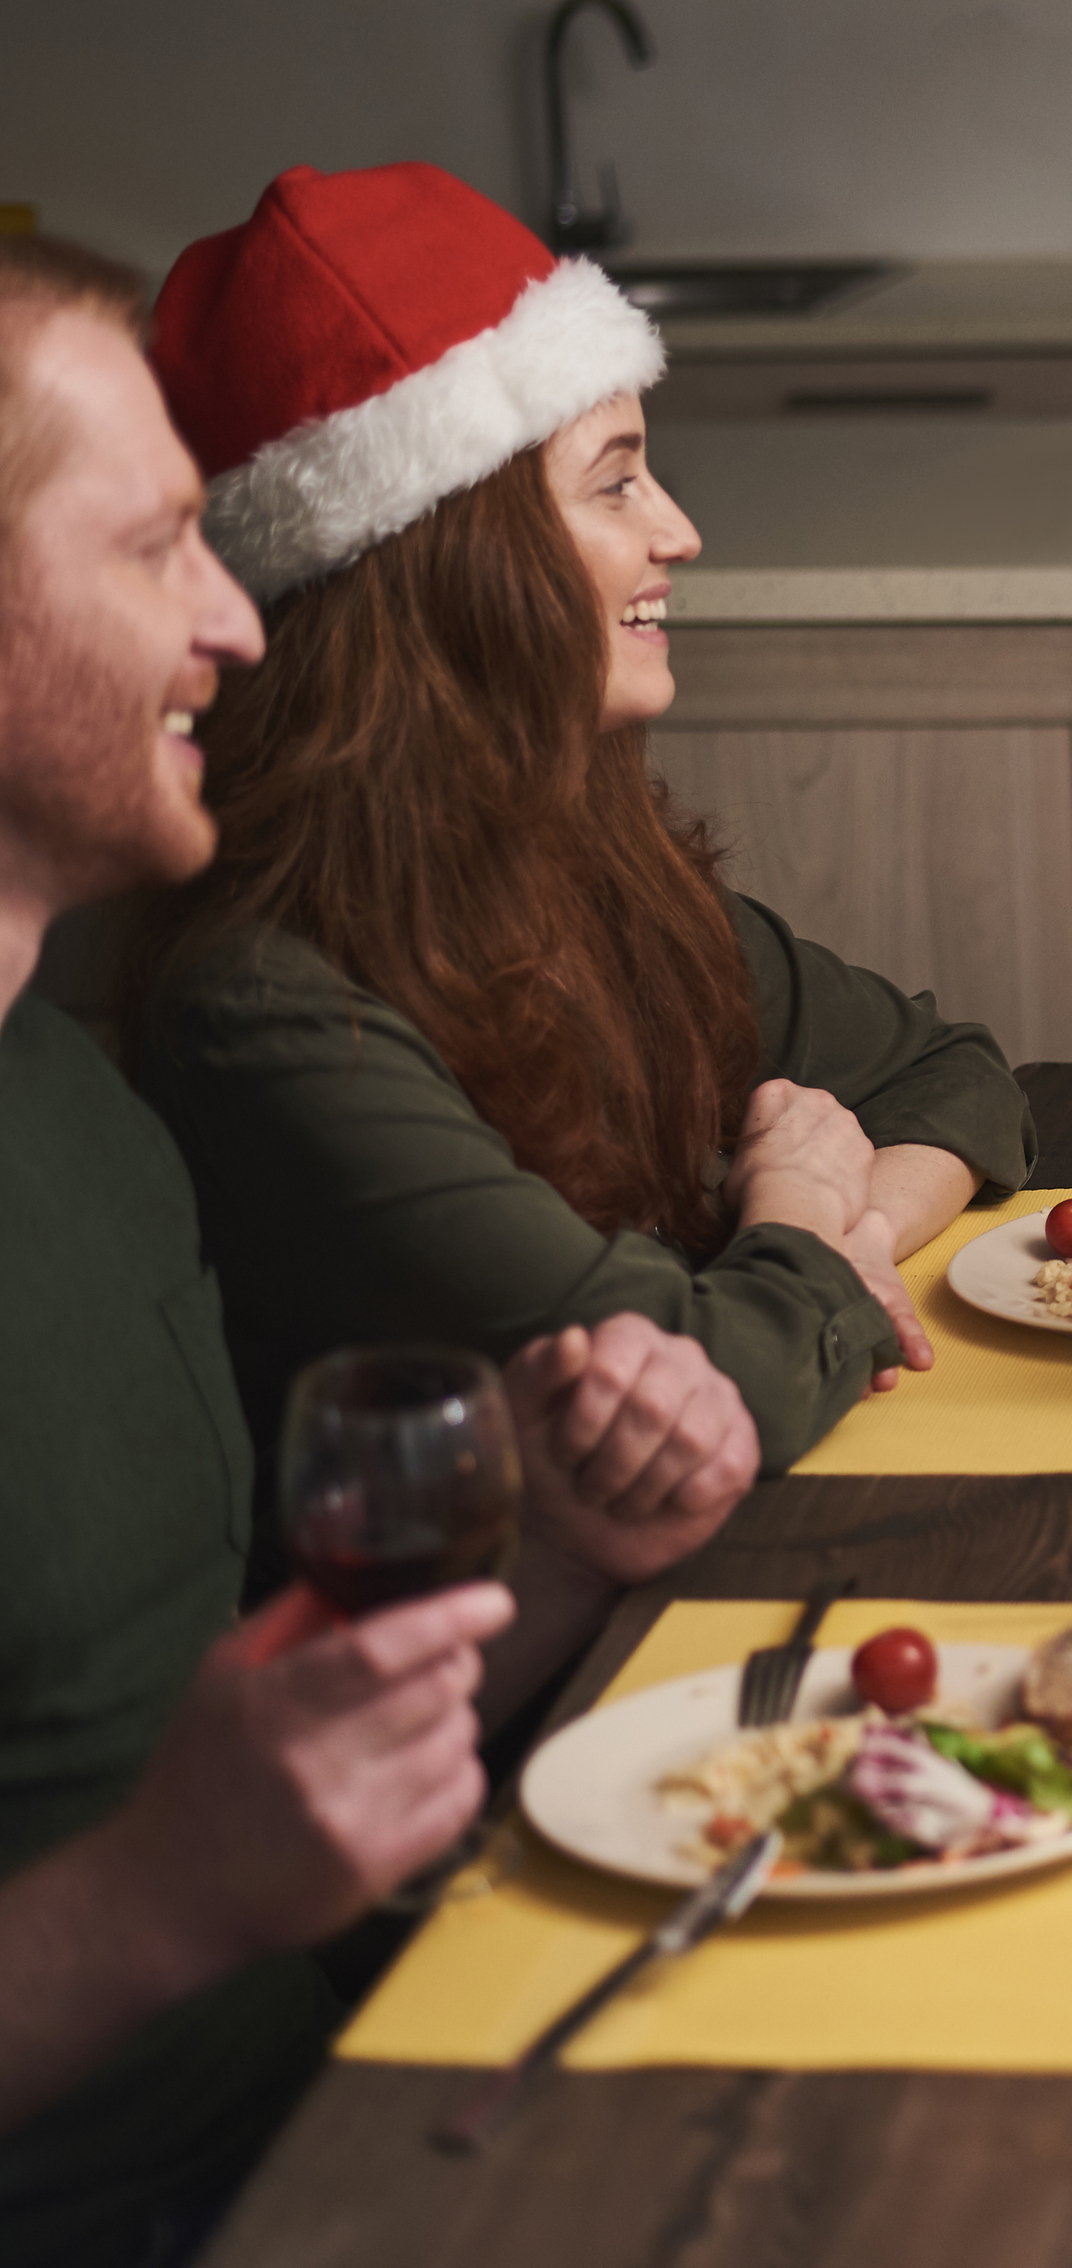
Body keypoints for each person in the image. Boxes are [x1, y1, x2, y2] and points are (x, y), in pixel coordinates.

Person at [0, 235, 755, 2265]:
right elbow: (184, 1863)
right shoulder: (228, 1014)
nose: (241, 620)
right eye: (156, 543)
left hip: (366, 2074)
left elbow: (246, 1767)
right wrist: (161, 1894)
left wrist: (562, 1549)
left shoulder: (73, 1113)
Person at [123, 164, 1037, 1487]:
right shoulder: (270, 1008)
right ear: (448, 560)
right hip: (496, 1665)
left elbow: (956, 1075)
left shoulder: (584, 857)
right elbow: (711, 1392)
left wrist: (842, 1237)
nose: (679, 530)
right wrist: (792, 1217)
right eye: (615, 485)